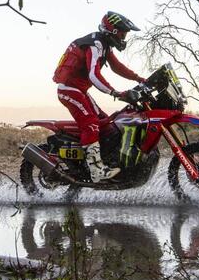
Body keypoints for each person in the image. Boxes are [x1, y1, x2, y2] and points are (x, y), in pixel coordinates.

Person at [53, 11, 146, 182]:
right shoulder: (95, 45)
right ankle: (96, 170)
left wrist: (139, 79)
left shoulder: (105, 45)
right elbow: (93, 75)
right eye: (122, 34)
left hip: (79, 90)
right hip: (68, 89)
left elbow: (117, 67)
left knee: (105, 122)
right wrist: (114, 92)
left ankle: (105, 160)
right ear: (112, 31)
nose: (124, 38)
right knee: (91, 124)